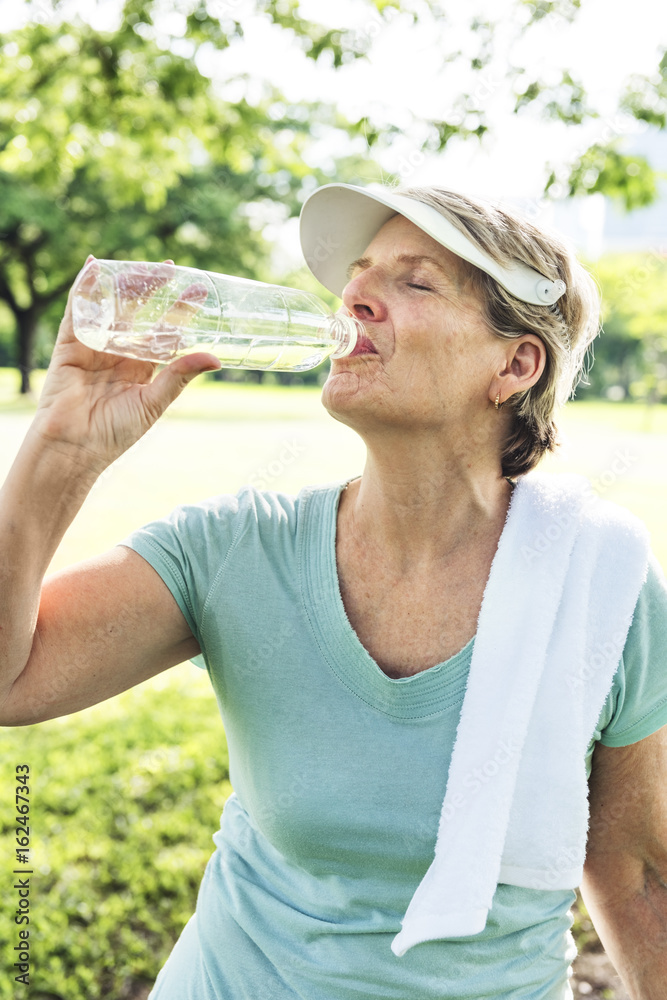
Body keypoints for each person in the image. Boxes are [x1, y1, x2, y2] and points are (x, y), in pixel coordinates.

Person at [1, 181, 666, 1000]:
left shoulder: (598, 578)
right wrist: (61, 452)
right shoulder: (233, 548)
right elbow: (12, 679)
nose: (356, 296)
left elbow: (634, 874)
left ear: (514, 364)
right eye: (359, 274)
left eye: (414, 281)